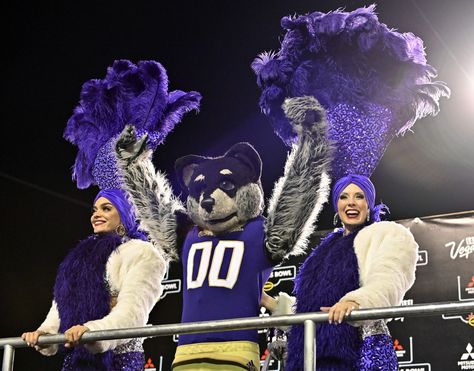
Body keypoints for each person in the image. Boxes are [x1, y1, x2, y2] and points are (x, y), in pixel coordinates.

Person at [21, 188, 166, 371]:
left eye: (106, 209)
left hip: (119, 360)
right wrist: (45, 333)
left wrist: (92, 330)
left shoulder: (142, 253)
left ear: (124, 213)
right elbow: (61, 305)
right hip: (76, 361)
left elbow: (133, 312)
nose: (96, 215)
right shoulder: (78, 258)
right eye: (94, 210)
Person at [285, 174, 418, 370]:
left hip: (357, 352)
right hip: (308, 355)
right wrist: (274, 305)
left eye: (359, 196)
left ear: (369, 203)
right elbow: (312, 304)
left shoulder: (384, 234)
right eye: (344, 197)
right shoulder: (325, 248)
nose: (351, 203)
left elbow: (388, 280)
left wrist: (356, 301)